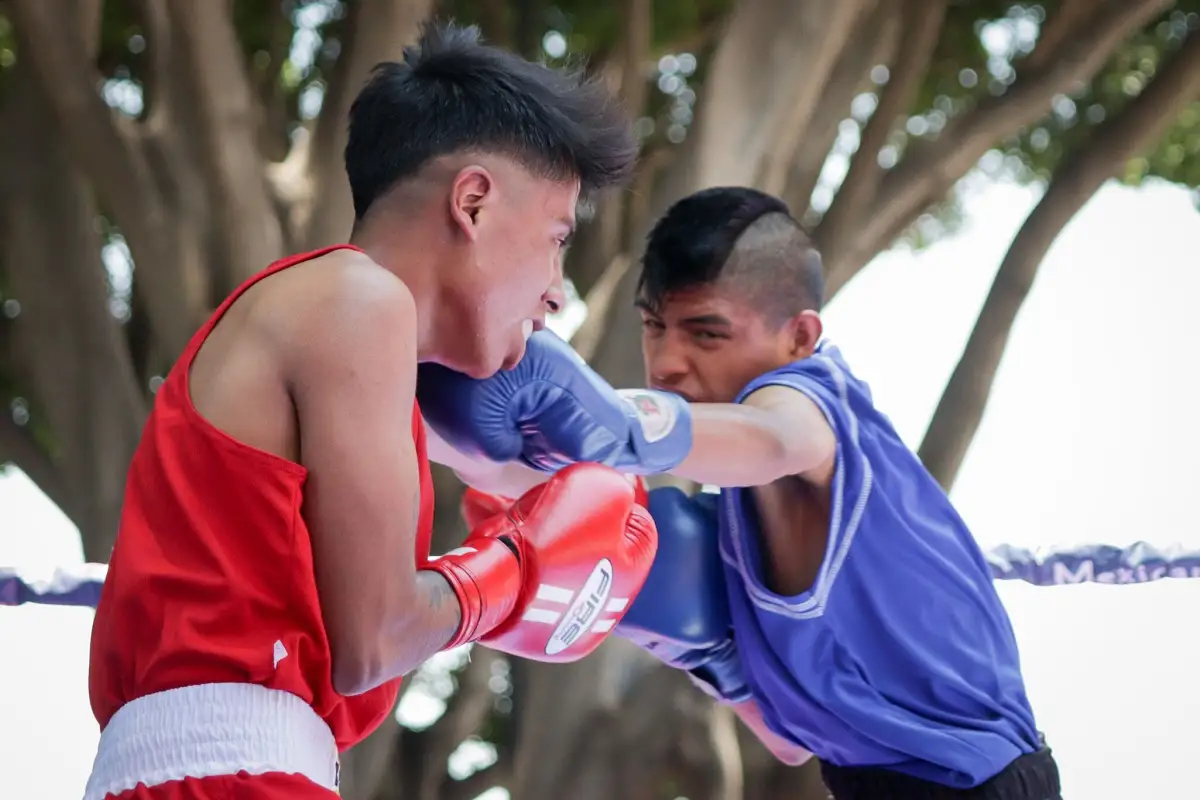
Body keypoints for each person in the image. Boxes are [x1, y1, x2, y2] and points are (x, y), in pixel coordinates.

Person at [83, 22, 658, 800]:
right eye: (557, 237)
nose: (557, 287)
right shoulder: (359, 301)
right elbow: (374, 637)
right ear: (474, 201)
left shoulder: (333, 321)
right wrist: (512, 571)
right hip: (230, 774)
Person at [417, 187, 1063, 798]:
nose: (667, 362)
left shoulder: (814, 405)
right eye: (654, 326)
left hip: (988, 786)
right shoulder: (732, 521)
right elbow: (788, 743)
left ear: (800, 339)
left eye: (705, 333)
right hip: (870, 782)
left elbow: (775, 436)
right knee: (641, 534)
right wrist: (417, 415)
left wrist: (618, 423)